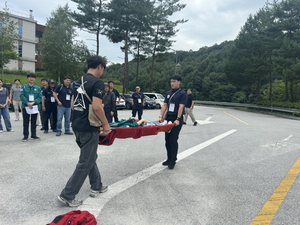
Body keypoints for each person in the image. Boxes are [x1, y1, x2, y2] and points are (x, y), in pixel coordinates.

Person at [58, 55, 110, 207]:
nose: (102, 72)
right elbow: (97, 107)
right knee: (85, 161)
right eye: (103, 69)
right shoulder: (97, 83)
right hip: (89, 126)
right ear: (100, 66)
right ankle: (67, 195)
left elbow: (73, 105)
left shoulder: (77, 81)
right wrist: (106, 125)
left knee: (90, 157)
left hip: (77, 124)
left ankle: (97, 185)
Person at [159, 75, 188, 169]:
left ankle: (173, 160)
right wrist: (161, 116)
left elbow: (181, 107)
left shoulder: (183, 94)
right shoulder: (168, 93)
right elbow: (164, 105)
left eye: (174, 81)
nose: (172, 83)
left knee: (173, 139)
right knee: (167, 140)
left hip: (176, 119)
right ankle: (168, 158)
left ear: (179, 82)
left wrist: (178, 119)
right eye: (171, 81)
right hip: (168, 118)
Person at [20, 73, 42, 141]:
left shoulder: (38, 88)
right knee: (26, 122)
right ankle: (25, 136)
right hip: (25, 106)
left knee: (33, 121)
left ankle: (33, 135)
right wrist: (27, 103)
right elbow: (21, 95)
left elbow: (40, 97)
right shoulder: (23, 87)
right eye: (29, 77)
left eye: (33, 77)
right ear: (27, 78)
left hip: (34, 106)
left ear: (35, 79)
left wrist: (33, 102)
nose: (31, 78)